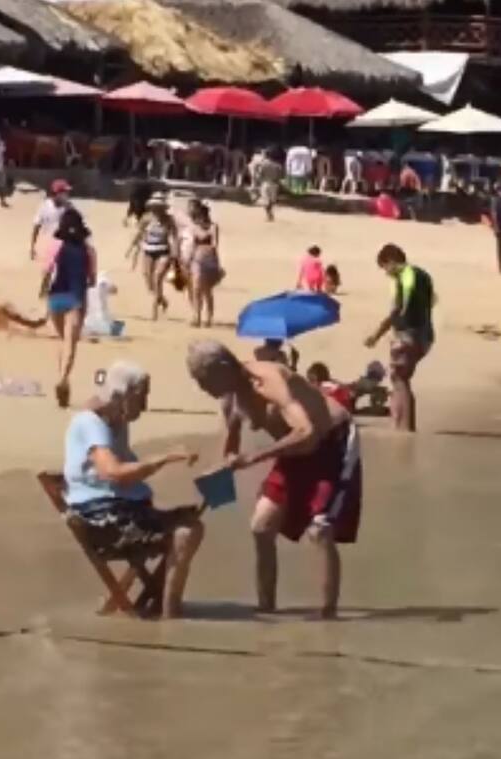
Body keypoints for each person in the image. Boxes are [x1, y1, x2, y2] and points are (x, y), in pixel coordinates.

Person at [185, 341, 361, 618]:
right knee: (261, 526)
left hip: (332, 441)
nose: (200, 387)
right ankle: (266, 608)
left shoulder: (269, 380)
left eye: (202, 379)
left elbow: (306, 430)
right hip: (294, 450)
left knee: (319, 530)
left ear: (223, 369)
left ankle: (328, 617)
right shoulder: (230, 398)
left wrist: (254, 458)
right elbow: (230, 450)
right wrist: (221, 470)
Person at [62, 362, 204, 618]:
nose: (145, 405)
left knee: (190, 522)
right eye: (141, 397)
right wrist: (165, 458)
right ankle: (170, 614)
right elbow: (113, 472)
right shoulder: (92, 424)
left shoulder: (115, 422)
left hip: (123, 509)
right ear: (120, 396)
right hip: (105, 520)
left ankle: (166, 608)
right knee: (186, 531)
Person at [364, 244, 436, 433]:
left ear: (391, 261)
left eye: (385, 268)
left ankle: (403, 428)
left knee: (398, 378)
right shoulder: (424, 275)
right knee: (403, 378)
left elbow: (398, 309)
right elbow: (432, 302)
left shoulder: (404, 277)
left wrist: (376, 334)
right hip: (425, 337)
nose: (386, 273)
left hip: (407, 335)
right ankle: (406, 425)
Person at [39, 208, 96, 408]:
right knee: (71, 342)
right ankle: (63, 378)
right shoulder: (89, 250)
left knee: (61, 340)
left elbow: (46, 272)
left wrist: (43, 291)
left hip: (56, 296)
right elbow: (92, 279)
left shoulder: (56, 245)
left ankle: (61, 376)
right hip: (76, 297)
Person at [127, 195, 179, 321]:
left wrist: (175, 253)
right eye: (155, 207)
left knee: (157, 278)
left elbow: (173, 237)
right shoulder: (147, 218)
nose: (157, 209)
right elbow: (139, 234)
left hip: (163, 251)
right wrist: (130, 249)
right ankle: (162, 299)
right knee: (148, 280)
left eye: (160, 207)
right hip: (148, 251)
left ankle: (154, 312)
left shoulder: (169, 220)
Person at [187, 200, 222, 328]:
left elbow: (215, 245)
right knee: (196, 288)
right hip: (196, 259)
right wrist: (189, 259)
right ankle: (196, 316)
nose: (199, 218)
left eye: (201, 215)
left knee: (207, 290)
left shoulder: (213, 226)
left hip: (209, 259)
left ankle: (209, 317)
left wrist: (217, 263)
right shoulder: (195, 227)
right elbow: (193, 244)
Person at [30, 179, 74, 263]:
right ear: (56, 193)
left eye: (67, 192)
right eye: (64, 192)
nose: (67, 195)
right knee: (48, 271)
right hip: (48, 246)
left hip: (64, 246)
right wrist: (33, 246)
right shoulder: (45, 206)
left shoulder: (69, 208)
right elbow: (36, 226)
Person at [256, 150, 283, 222]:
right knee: (271, 201)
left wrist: (258, 182)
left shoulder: (263, 164)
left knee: (265, 200)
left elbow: (259, 175)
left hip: (265, 183)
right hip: (274, 184)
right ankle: (270, 214)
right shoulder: (277, 165)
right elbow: (280, 175)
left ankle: (269, 214)